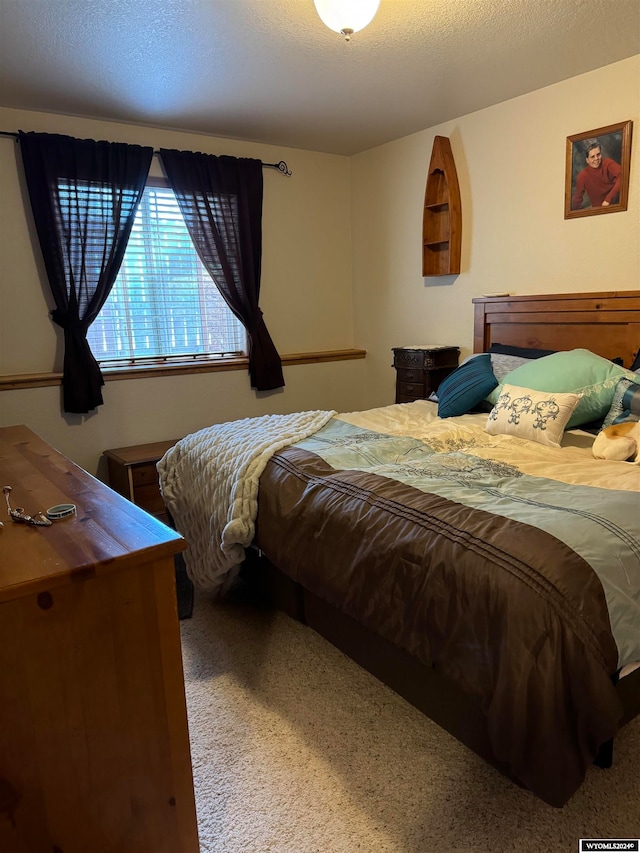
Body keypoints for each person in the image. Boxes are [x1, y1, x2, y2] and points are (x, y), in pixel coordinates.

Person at [571, 139, 622, 210]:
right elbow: (577, 198)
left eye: (598, 155)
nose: (596, 159)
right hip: (598, 211)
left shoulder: (608, 163)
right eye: (592, 157)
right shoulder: (582, 176)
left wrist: (608, 199)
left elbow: (623, 176)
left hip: (617, 204)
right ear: (587, 160)